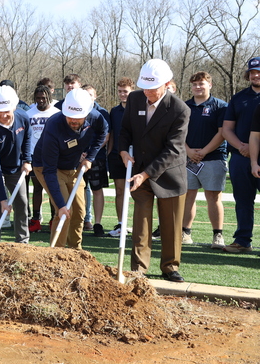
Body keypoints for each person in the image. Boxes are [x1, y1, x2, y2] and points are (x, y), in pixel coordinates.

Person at [120, 59, 190, 282]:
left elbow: (173, 149)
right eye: (144, 87)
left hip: (169, 174)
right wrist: (122, 151)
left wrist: (146, 174)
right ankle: (138, 269)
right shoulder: (134, 99)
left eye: (153, 88)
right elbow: (125, 130)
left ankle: (170, 266)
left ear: (167, 84)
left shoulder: (180, 109)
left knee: (170, 224)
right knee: (141, 223)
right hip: (138, 171)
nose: (148, 92)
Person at [33, 88, 107, 250]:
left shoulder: (95, 117)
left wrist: (90, 157)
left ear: (87, 114)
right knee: (65, 211)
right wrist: (60, 205)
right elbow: (49, 171)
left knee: (80, 212)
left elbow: (103, 132)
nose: (73, 121)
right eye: (70, 117)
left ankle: (75, 252)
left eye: (78, 118)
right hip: (47, 167)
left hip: (73, 166)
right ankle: (56, 254)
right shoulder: (53, 126)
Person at [0, 86, 32, 243]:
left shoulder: (23, 117)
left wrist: (27, 160)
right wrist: (4, 199)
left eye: (7, 111)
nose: (3, 115)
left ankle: (22, 242)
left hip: (16, 168)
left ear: (14, 107)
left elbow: (28, 137)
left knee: (22, 202)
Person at [183, 71, 227, 248]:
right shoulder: (184, 106)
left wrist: (204, 152)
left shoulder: (220, 106)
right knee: (188, 196)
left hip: (213, 158)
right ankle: (185, 232)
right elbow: (178, 133)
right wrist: (188, 151)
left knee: (213, 197)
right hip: (188, 159)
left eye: (201, 84)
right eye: (194, 84)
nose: (198, 87)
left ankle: (218, 235)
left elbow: (222, 132)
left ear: (210, 85)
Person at [222, 57, 260, 254]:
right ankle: (243, 240)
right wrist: (242, 146)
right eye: (252, 72)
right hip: (240, 157)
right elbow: (227, 129)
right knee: (243, 201)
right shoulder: (239, 98)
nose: (255, 75)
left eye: (259, 72)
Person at [26, 84, 60, 232]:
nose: (40, 101)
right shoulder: (29, 113)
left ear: (49, 98)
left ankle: (54, 219)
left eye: (43, 98)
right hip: (35, 155)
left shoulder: (57, 113)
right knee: (37, 188)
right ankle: (36, 219)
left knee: (53, 188)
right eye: (38, 98)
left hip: (52, 155)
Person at [81, 84, 110, 237]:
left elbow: (106, 137)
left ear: (95, 96)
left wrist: (90, 154)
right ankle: (80, 221)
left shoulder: (102, 113)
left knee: (97, 190)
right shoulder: (78, 110)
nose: (88, 97)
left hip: (96, 158)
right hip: (79, 158)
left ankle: (97, 224)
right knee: (79, 189)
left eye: (90, 94)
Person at [107, 77, 135, 237]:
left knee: (137, 192)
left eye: (125, 91)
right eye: (120, 91)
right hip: (117, 156)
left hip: (134, 157)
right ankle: (121, 223)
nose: (122, 94)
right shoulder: (114, 111)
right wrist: (110, 153)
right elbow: (111, 135)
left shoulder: (139, 109)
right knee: (119, 191)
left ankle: (137, 223)